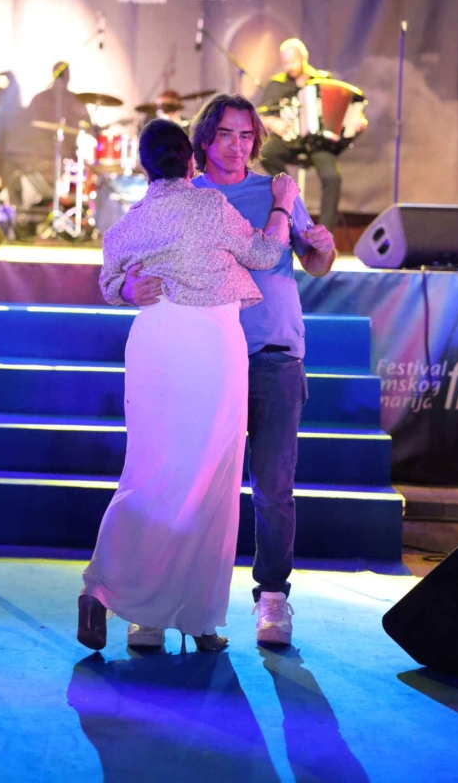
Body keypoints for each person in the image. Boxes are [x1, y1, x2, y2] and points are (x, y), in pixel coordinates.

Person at [78, 118, 299, 653]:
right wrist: (282, 205)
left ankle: (110, 592)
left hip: (153, 343)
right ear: (193, 161)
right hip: (210, 344)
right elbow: (265, 255)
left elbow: (109, 284)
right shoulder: (209, 207)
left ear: (143, 167)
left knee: (149, 473)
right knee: (209, 480)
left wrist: (124, 290)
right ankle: (198, 618)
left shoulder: (128, 223)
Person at [123, 95, 336, 648]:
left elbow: (313, 262)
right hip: (200, 356)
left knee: (273, 488)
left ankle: (273, 597)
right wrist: (124, 287)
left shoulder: (279, 192)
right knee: (180, 481)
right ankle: (157, 602)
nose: (238, 146)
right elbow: (130, 262)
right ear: (203, 140)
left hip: (273, 354)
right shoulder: (182, 194)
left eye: (246, 135)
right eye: (225, 134)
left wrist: (323, 249)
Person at [259, 38, 366, 233]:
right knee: (265, 152)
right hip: (289, 139)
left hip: (318, 143)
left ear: (304, 58)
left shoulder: (323, 80)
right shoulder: (277, 84)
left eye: (293, 61)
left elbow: (347, 110)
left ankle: (325, 234)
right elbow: (261, 115)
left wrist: (356, 121)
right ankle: (288, 192)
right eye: (285, 62)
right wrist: (273, 122)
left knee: (332, 178)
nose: (289, 67)